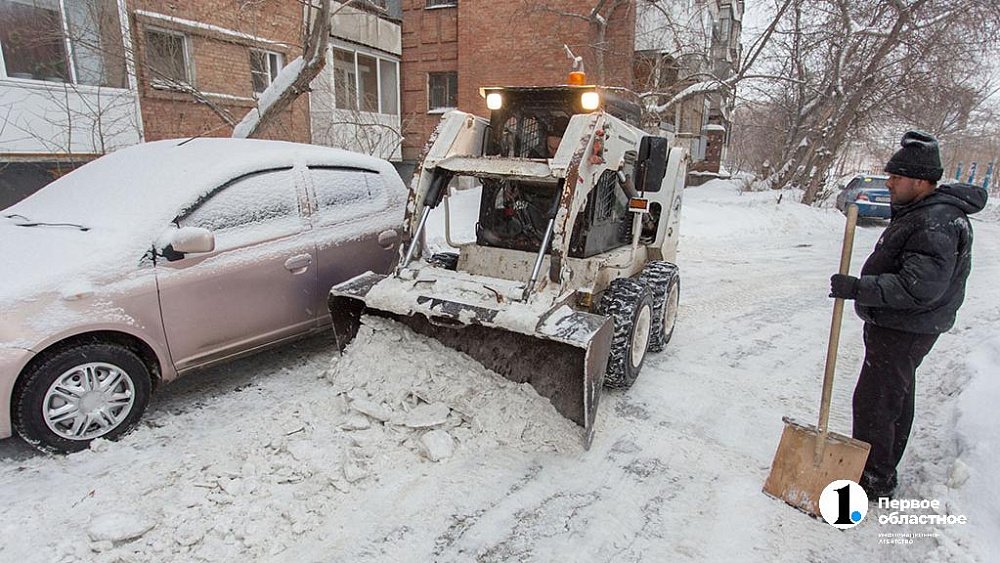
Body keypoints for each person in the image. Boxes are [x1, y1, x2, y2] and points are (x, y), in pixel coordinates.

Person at [829, 130, 988, 499]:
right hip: (906, 325)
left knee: (876, 403)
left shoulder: (935, 221)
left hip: (904, 326)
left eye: (896, 177)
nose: (889, 183)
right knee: (893, 398)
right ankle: (880, 471)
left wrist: (859, 288)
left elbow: (918, 286)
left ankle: (874, 479)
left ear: (920, 181)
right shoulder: (929, 213)